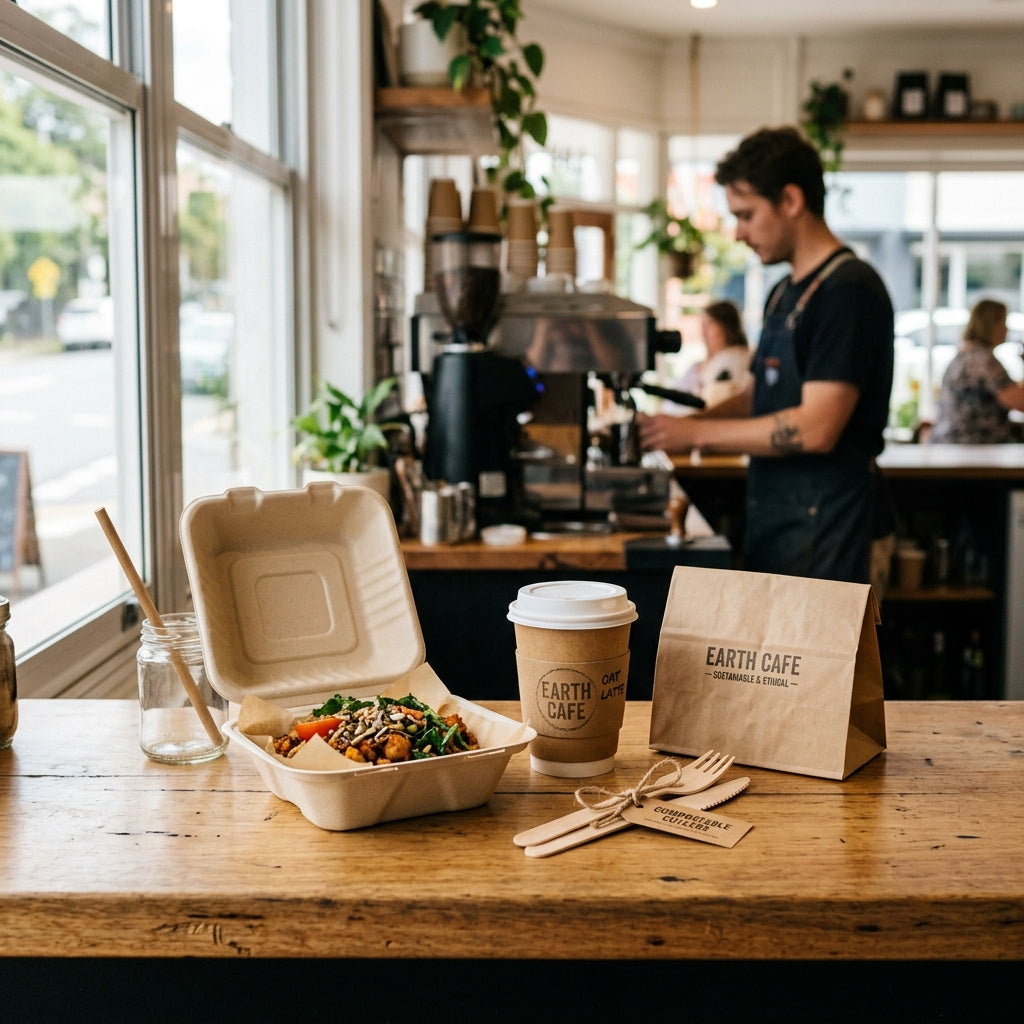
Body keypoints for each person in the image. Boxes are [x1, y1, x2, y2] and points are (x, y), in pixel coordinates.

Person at [637, 126, 894, 584]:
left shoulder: (848, 292)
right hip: (778, 517)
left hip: (832, 526)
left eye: (747, 215)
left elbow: (816, 428)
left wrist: (696, 436)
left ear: (791, 201)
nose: (737, 233)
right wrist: (677, 428)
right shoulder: (783, 293)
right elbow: (760, 396)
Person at [927, 299, 1024, 444]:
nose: (1006, 329)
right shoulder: (982, 360)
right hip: (969, 448)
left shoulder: (967, 355)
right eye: (1003, 322)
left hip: (952, 444)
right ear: (991, 325)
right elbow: (1019, 402)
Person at [674, 300, 752, 408]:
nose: (703, 332)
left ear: (726, 327)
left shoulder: (737, 361)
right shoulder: (701, 366)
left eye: (709, 325)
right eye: (702, 326)